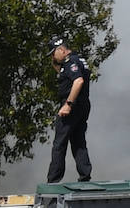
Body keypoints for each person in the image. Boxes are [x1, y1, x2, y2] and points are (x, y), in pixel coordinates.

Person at [46, 36, 92, 183]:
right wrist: (55, 64)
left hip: (72, 107)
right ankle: (85, 176)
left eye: (53, 53)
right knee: (78, 141)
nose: (53, 57)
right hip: (83, 106)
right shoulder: (78, 60)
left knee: (59, 143)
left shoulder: (70, 62)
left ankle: (53, 181)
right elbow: (64, 75)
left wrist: (68, 104)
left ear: (61, 50)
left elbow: (78, 81)